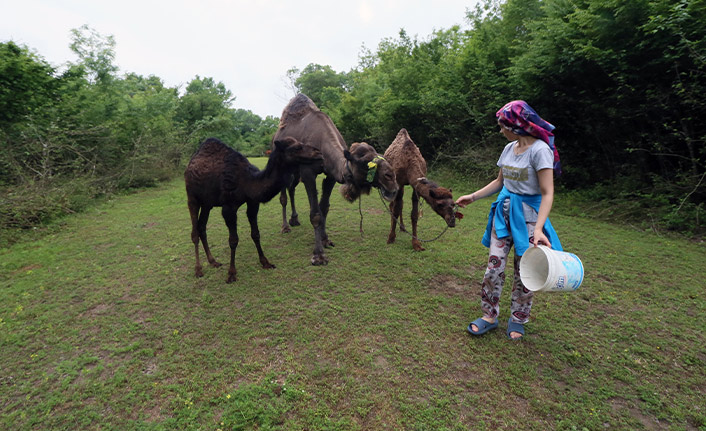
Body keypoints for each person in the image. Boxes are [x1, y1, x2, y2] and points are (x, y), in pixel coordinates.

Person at [455, 100, 562, 340]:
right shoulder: (508, 149)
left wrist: (539, 229)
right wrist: (473, 197)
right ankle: (489, 316)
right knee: (494, 267)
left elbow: (547, 192)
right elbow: (499, 182)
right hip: (503, 215)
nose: (500, 130)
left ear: (516, 126)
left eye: (502, 125)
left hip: (529, 220)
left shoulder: (539, 150)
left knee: (525, 272)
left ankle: (518, 319)